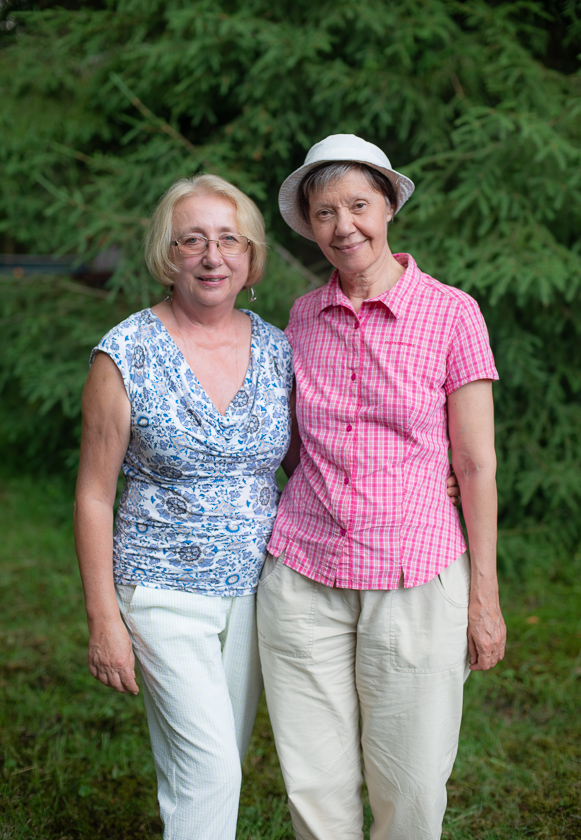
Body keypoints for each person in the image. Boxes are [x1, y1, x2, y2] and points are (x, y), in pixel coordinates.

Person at [257, 134, 507, 840]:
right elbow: (292, 440)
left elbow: (476, 465)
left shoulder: (452, 313)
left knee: (412, 783)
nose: (344, 226)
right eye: (325, 212)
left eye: (358, 205)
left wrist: (484, 597)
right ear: (310, 225)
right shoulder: (302, 317)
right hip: (304, 572)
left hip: (415, 576)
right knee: (314, 782)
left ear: (389, 205)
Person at [73, 174, 294, 840]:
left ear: (251, 256)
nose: (211, 256)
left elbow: (313, 462)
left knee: (203, 767)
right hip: (161, 591)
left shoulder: (278, 349)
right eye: (191, 240)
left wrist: (427, 480)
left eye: (229, 240)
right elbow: (93, 494)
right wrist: (102, 618)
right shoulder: (126, 352)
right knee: (213, 772)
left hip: (255, 591)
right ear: (166, 255)